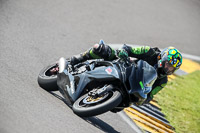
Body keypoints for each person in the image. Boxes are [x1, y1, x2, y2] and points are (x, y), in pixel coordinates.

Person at [51, 40, 182, 104]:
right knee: (100, 48)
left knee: (125, 103)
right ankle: (76, 59)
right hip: (123, 64)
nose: (169, 69)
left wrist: (144, 99)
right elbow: (129, 48)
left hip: (132, 86)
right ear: (163, 57)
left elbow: (151, 95)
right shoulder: (150, 52)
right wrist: (125, 52)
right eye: (168, 64)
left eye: (172, 68)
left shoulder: (163, 81)